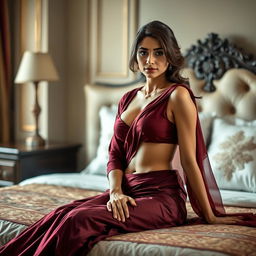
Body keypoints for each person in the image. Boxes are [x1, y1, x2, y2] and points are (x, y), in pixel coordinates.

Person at [0, 20, 255, 256]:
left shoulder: (178, 96)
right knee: (62, 213)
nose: (150, 60)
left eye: (159, 52)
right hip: (126, 190)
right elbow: (115, 154)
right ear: (135, 56)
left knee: (77, 220)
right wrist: (115, 191)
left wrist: (208, 215)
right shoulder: (127, 98)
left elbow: (190, 161)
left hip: (161, 197)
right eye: (143, 52)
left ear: (170, 56)